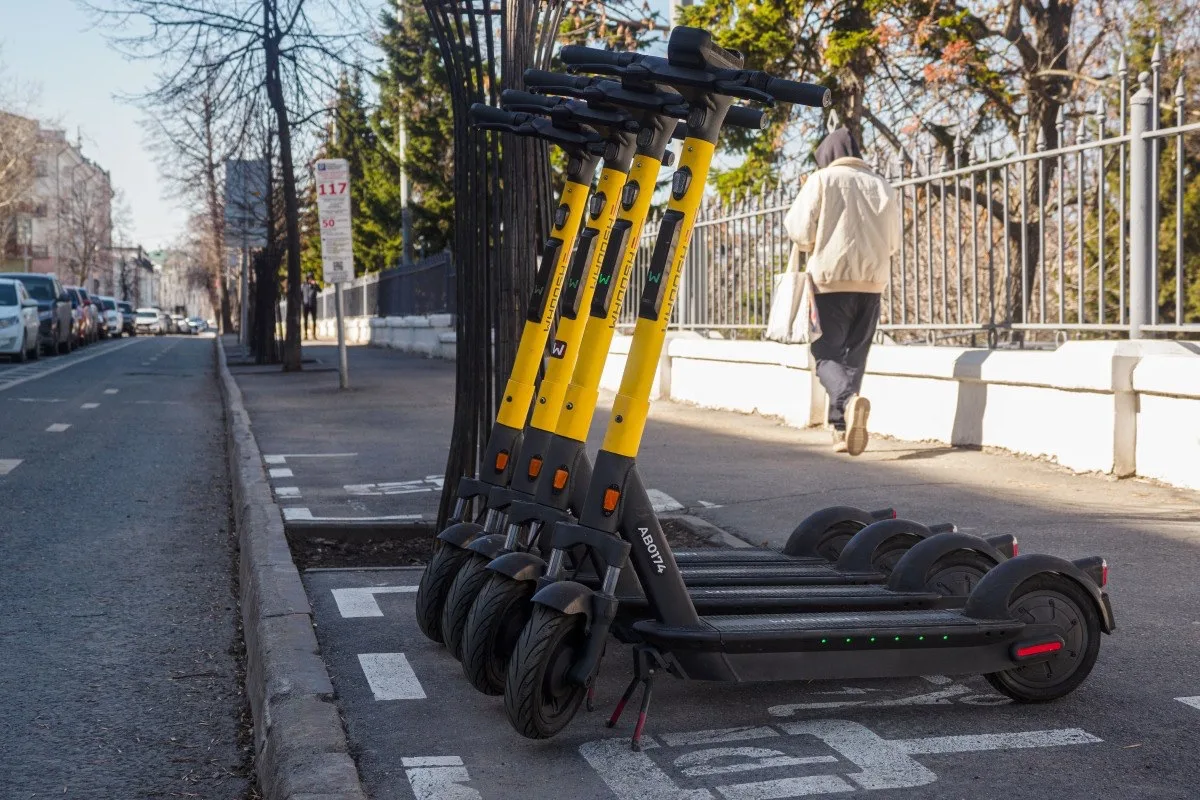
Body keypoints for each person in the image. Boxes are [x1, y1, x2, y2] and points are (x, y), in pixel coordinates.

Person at [784, 129, 901, 456]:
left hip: (829, 282)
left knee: (825, 356)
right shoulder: (881, 184)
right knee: (854, 358)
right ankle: (840, 429)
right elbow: (893, 242)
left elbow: (798, 229)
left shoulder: (822, 180)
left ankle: (847, 404)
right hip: (872, 284)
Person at [302, 276, 319, 340]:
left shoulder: (314, 285)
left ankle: (314, 335)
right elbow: (300, 294)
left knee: (314, 320)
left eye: (311, 278)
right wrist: (302, 301)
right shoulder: (303, 285)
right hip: (305, 305)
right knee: (305, 320)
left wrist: (315, 284)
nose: (310, 279)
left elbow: (320, 290)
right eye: (309, 278)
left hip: (313, 305)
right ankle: (305, 335)